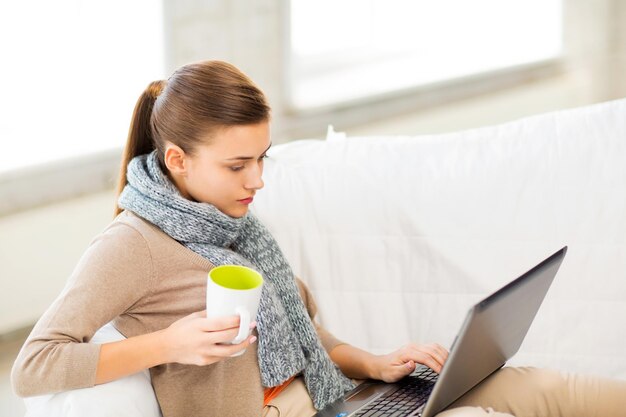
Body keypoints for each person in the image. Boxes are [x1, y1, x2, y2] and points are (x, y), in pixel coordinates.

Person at [10, 60, 626, 417]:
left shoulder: (234, 224)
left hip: (337, 401)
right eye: (237, 165)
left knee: (540, 385)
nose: (257, 180)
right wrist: (168, 343)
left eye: (263, 158)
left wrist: (376, 362)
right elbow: (33, 367)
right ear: (177, 159)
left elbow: (304, 336)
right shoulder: (131, 245)